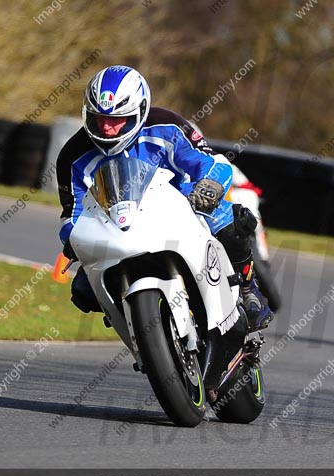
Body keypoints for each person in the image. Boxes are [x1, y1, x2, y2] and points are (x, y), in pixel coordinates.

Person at [56, 65, 273, 330]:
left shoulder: (168, 126)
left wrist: (210, 186)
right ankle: (137, 328)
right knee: (83, 290)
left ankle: (249, 288)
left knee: (229, 218)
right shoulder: (72, 156)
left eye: (117, 119)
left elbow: (209, 163)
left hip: (181, 206)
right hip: (115, 226)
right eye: (98, 117)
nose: (107, 127)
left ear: (140, 111)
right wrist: (74, 239)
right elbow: (72, 214)